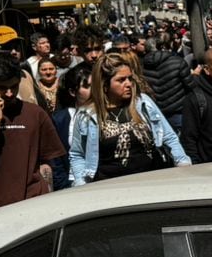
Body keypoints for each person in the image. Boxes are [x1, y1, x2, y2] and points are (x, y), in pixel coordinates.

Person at [0, 53, 64, 216]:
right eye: (2, 88)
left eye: (14, 86)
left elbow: (46, 163)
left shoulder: (35, 114)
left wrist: (48, 199)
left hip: (35, 204)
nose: (9, 93)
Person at [69, 52, 190, 184]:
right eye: (121, 80)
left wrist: (183, 165)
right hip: (109, 186)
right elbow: (77, 154)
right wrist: (82, 184)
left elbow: (169, 137)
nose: (128, 84)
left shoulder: (143, 103)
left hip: (153, 181)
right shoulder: (87, 116)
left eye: (130, 78)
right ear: (104, 85)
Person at [50, 64, 92, 189]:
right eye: (86, 86)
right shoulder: (60, 120)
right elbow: (55, 160)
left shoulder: (109, 113)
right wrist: (65, 187)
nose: (93, 90)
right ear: (73, 92)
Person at [141, 34, 194, 132]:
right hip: (179, 112)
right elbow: (190, 86)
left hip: (156, 114)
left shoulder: (141, 66)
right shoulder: (178, 62)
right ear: (162, 47)